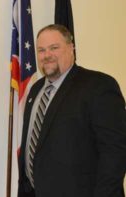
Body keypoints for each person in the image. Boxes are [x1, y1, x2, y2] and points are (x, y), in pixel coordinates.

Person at [18, 24, 126, 197]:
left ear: (71, 48)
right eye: (41, 50)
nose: (47, 55)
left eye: (54, 48)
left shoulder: (98, 86)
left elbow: (115, 153)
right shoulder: (36, 90)